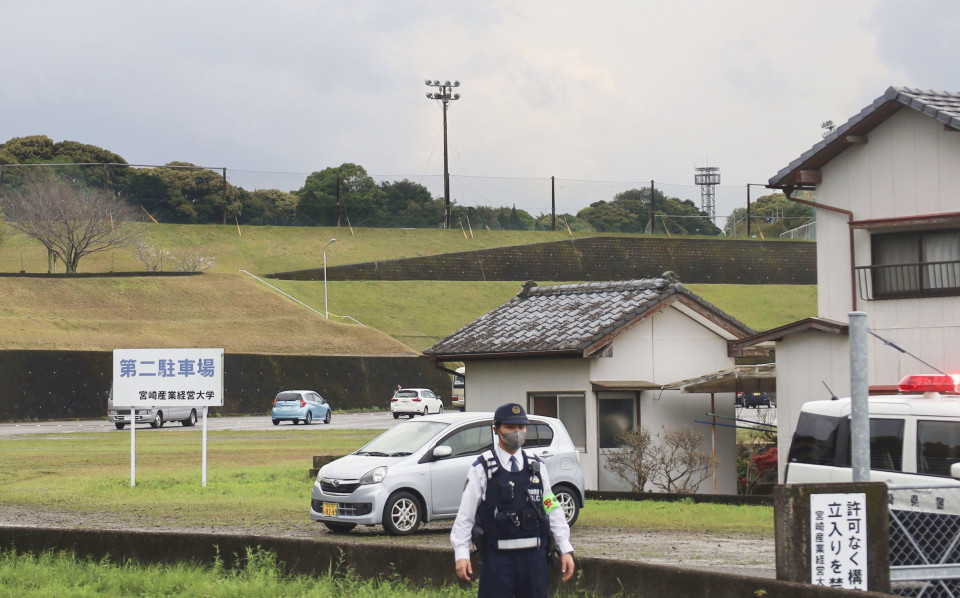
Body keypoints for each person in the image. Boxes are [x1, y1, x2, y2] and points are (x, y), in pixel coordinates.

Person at [451, 403, 575, 597]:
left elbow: (551, 506)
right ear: (496, 429)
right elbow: (466, 515)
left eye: (521, 427)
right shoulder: (482, 468)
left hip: (534, 560)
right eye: (510, 427)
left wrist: (565, 548)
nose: (517, 432)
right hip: (498, 561)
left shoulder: (536, 466)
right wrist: (461, 553)